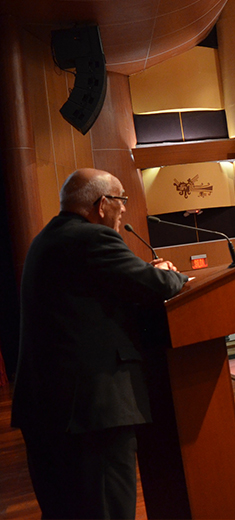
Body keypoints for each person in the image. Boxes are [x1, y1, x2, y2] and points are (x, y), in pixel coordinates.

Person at [13, 168, 189, 519]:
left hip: (50, 409)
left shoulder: (49, 238)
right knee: (107, 509)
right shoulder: (91, 239)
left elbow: (106, 289)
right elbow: (157, 285)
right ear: (102, 204)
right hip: (92, 413)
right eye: (121, 199)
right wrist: (171, 274)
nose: (124, 208)